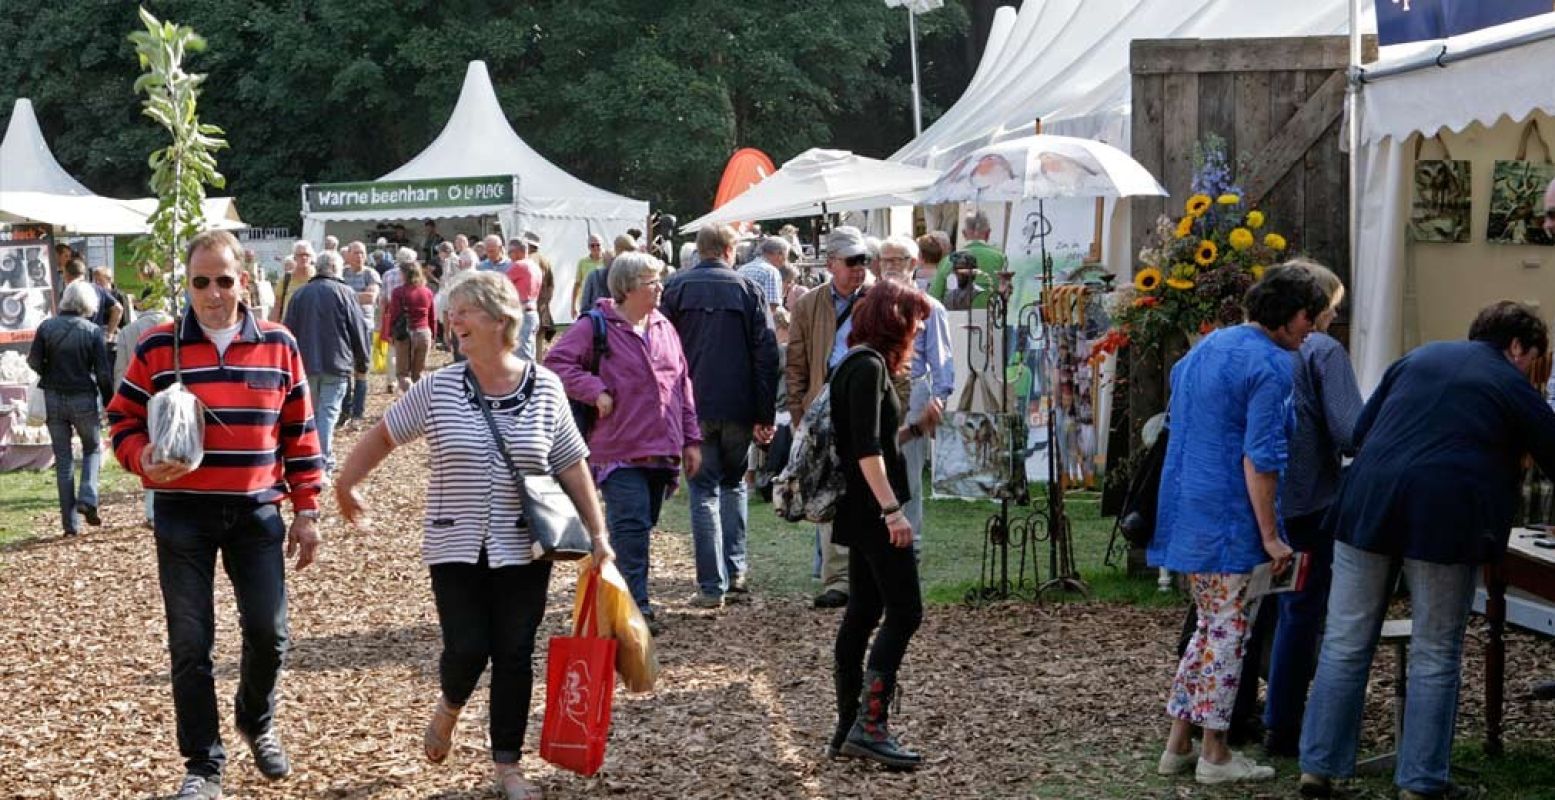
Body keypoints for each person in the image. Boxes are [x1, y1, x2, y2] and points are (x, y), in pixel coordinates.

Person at [334, 271, 614, 800]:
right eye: (451, 312)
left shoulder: (545, 387)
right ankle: (451, 704)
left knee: (513, 651)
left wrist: (599, 534)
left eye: (464, 311)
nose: (453, 321)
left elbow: (573, 464)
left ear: (500, 319)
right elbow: (385, 434)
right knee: (467, 648)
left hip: (526, 546)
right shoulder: (441, 388)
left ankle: (507, 765)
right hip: (453, 541)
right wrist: (347, 483)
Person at [1297, 300, 1555, 800]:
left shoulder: (1418, 358)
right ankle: (1419, 781)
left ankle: (1318, 767)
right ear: (1517, 346)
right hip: (1446, 517)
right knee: (1436, 649)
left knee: (1345, 641)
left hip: (1367, 504)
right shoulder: (1509, 383)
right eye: (1534, 358)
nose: (1533, 370)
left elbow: (1359, 434)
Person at [107, 230, 324, 800]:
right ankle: (203, 764)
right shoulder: (158, 347)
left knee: (269, 633)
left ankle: (257, 720)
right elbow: (122, 420)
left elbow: (301, 434)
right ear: (187, 284)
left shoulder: (279, 344)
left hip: (256, 511)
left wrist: (307, 510)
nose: (212, 292)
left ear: (243, 280)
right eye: (200, 281)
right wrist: (142, 457)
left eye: (223, 280)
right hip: (183, 513)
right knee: (190, 642)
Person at [1150, 264, 1327, 786]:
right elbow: (1261, 459)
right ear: (1292, 316)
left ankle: (1178, 745)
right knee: (1229, 634)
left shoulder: (1207, 347)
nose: (1312, 330)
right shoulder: (1272, 367)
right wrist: (1271, 536)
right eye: (1309, 320)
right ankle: (1216, 754)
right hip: (1231, 521)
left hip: (1188, 511)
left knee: (1208, 628)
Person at [545, 252, 700, 632]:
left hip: (662, 448)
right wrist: (593, 389)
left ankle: (620, 598)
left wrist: (691, 438)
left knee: (641, 527)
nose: (660, 287)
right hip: (618, 450)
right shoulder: (594, 325)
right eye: (652, 281)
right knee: (630, 528)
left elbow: (682, 384)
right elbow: (556, 363)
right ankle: (635, 610)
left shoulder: (664, 325)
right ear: (628, 287)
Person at [827, 279, 933, 769]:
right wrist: (894, 512)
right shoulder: (868, 367)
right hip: (873, 511)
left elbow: (873, 440)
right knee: (905, 611)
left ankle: (848, 726)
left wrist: (914, 428)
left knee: (863, 614)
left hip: (858, 507)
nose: (917, 330)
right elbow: (867, 451)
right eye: (913, 320)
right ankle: (869, 727)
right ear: (895, 321)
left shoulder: (854, 362)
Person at [1259, 261, 1363, 757]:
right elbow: (1349, 431)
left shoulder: (1254, 345)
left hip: (1261, 500)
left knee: (1257, 608)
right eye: (1334, 307)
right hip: (1309, 501)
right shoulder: (1323, 351)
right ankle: (1284, 722)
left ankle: (1230, 715)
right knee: (1302, 612)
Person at [659, 224, 779, 608]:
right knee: (733, 485)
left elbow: (659, 351)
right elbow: (767, 354)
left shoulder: (675, 288)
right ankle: (736, 571)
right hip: (738, 405)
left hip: (692, 406)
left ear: (699, 249)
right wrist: (765, 412)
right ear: (730, 251)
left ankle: (712, 585)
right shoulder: (748, 290)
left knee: (703, 490)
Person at [787, 226, 875, 608]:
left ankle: (868, 572)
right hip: (822, 406)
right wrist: (797, 410)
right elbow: (796, 361)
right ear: (831, 264)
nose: (859, 269)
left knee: (870, 487)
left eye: (864, 261)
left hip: (866, 402)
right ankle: (837, 579)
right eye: (852, 261)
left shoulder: (877, 300)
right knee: (828, 489)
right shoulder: (808, 305)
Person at [873, 236, 953, 557]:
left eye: (900, 260)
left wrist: (939, 398)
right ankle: (878, 540)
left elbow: (942, 361)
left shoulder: (929, 307)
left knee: (907, 471)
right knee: (872, 464)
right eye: (886, 260)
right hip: (874, 387)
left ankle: (911, 545)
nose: (892, 266)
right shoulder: (869, 303)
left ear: (914, 264)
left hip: (913, 387)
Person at [28, 280, 113, 537]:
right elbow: (102, 373)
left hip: (53, 398)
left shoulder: (46, 327)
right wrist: (110, 402)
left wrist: (48, 372)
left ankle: (70, 525)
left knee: (63, 460)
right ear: (89, 304)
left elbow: (33, 361)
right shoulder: (92, 331)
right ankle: (88, 496)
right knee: (92, 448)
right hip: (83, 398)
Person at [283, 250, 370, 473]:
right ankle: (321, 463)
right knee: (328, 415)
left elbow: (288, 331)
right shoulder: (345, 293)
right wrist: (363, 362)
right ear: (336, 269)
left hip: (305, 364)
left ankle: (310, 460)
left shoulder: (300, 294)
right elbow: (358, 330)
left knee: (311, 414)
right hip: (336, 362)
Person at [340, 241, 382, 425]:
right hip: (343, 326)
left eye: (363, 253)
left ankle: (358, 413)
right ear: (348, 255)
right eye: (356, 253)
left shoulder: (370, 274)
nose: (360, 256)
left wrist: (344, 297)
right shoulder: (341, 274)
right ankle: (345, 411)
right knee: (344, 369)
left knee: (361, 369)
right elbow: (361, 296)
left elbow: (370, 297)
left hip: (364, 325)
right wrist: (356, 296)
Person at [928, 211, 1005, 308]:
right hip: (991, 318)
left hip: (956, 319)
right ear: (988, 233)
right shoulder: (1001, 259)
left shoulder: (948, 261)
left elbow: (934, 297)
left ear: (964, 234)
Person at [387, 263, 436, 391]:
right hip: (424, 332)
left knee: (403, 374)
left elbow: (395, 315)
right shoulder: (427, 292)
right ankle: (422, 402)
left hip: (405, 334)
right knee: (418, 374)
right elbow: (432, 316)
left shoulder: (398, 292)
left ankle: (411, 402)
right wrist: (434, 335)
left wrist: (390, 334)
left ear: (404, 274)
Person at [504, 238, 543, 360]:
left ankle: (526, 378)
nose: (509, 256)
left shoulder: (519, 265)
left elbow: (500, 284)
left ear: (517, 251)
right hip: (533, 311)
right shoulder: (535, 267)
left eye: (510, 252)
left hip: (522, 311)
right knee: (529, 350)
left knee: (521, 354)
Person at [738, 236, 787, 316]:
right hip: (759, 323)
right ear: (779, 254)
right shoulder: (771, 272)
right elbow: (771, 307)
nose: (785, 261)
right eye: (786, 256)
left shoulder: (742, 269)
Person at [268, 240, 315, 322]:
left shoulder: (316, 278)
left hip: (311, 327)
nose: (304, 258)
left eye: (307, 255)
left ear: (312, 258)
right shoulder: (286, 279)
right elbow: (277, 307)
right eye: (300, 255)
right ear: (294, 258)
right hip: (289, 327)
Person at [572, 234, 606, 316]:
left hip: (604, 302)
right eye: (592, 245)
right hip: (587, 302)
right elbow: (577, 284)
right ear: (588, 247)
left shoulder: (607, 261)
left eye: (598, 245)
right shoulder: (582, 262)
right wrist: (573, 306)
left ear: (602, 245)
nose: (595, 247)